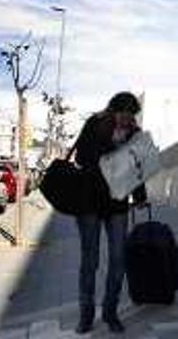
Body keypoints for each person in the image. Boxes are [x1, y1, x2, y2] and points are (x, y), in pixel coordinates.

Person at [73, 92, 147, 334]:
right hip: (89, 201)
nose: (127, 119)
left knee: (118, 260)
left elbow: (138, 168)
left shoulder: (135, 134)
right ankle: (86, 315)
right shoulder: (95, 124)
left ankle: (110, 311)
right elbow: (81, 157)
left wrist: (140, 197)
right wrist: (112, 151)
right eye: (124, 113)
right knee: (90, 261)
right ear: (114, 110)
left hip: (117, 203)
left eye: (131, 115)